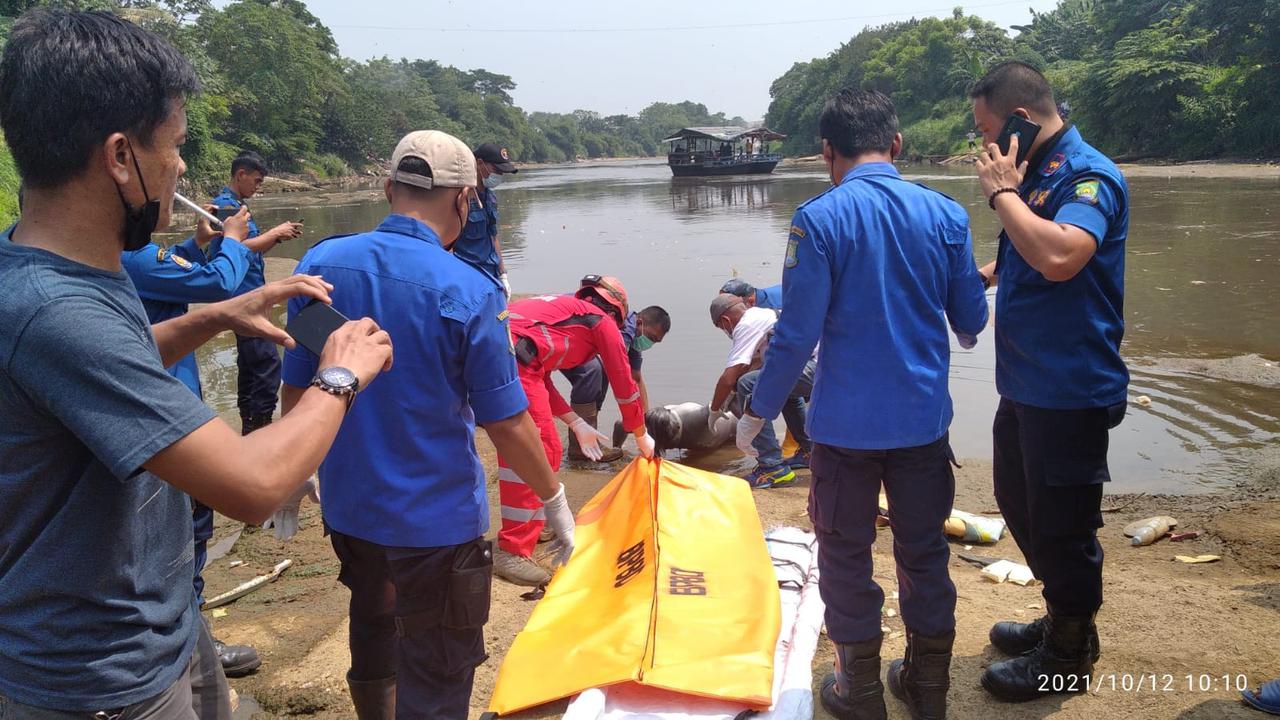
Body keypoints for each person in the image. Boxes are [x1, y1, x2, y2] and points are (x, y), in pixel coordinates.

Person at [0, 9, 393, 717]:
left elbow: (100, 373)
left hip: (167, 622)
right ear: (120, 157)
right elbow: (253, 485)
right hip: (99, 676)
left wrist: (215, 315)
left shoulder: (57, 263)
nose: (181, 167)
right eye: (176, 145)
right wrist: (340, 375)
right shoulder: (56, 311)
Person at [735, 88, 988, 720]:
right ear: (896, 144)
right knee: (924, 552)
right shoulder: (946, 213)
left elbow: (795, 334)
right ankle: (928, 689)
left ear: (827, 151)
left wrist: (758, 411)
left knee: (845, 555)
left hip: (844, 432)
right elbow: (970, 319)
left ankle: (861, 691)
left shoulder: (817, 220)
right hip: (922, 426)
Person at [970, 60, 1129, 702]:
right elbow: (1023, 253)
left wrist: (1001, 195)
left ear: (1019, 120)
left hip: (1069, 387)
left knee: (1063, 523)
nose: (985, 144)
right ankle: (1062, 613)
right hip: (1026, 383)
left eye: (987, 129)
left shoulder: (1088, 176)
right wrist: (977, 276)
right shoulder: (1036, 174)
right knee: (1018, 499)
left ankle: (1069, 650)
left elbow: (1061, 255)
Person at [122, 204, 269, 679]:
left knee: (185, 528)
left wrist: (197, 244)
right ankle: (191, 641)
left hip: (165, 405)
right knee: (185, 530)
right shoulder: (132, 257)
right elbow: (218, 285)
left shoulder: (126, 259)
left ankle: (192, 633)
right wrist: (233, 239)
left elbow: (174, 272)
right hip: (165, 411)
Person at [497, 280, 657, 585]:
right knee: (537, 449)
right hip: (509, 360)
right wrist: (640, 433)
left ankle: (535, 522)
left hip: (501, 353)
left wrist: (575, 422)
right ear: (617, 312)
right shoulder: (603, 323)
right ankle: (512, 549)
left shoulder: (562, 312)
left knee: (536, 446)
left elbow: (539, 374)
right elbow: (624, 385)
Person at [210, 150, 305, 435]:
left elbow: (252, 251)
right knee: (267, 363)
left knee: (251, 363)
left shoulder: (236, 206)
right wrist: (275, 232)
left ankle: (250, 427)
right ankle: (260, 428)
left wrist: (277, 238)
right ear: (241, 174)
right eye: (257, 180)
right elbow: (234, 247)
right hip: (243, 296)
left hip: (250, 292)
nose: (258, 186)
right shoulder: (226, 208)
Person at [708, 293, 814, 488]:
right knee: (780, 387)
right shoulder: (763, 315)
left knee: (748, 384)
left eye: (722, 328)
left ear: (725, 320)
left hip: (816, 369)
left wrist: (714, 410)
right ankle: (810, 451)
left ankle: (771, 467)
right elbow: (755, 366)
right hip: (824, 365)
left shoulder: (746, 324)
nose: (726, 332)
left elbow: (729, 377)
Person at [561, 297, 670, 463]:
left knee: (600, 371)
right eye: (652, 337)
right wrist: (637, 428)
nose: (651, 343)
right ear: (640, 322)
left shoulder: (634, 337)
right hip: (563, 331)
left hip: (573, 336)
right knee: (593, 371)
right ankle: (579, 449)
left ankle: (587, 434)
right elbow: (619, 375)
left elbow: (636, 378)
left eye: (656, 341)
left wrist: (645, 419)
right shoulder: (625, 329)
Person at [454, 142, 516, 295]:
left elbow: (493, 236)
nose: (500, 176)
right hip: (468, 276)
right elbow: (447, 241)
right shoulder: (461, 197)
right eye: (497, 170)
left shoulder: (490, 197)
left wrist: (503, 274)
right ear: (480, 163)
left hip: (491, 274)